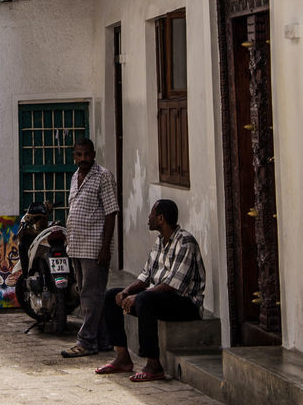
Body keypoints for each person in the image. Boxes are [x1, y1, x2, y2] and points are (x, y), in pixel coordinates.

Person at [95, 198, 205, 382]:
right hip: (161, 298)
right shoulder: (160, 241)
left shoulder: (186, 242)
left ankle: (153, 364)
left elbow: (173, 285)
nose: (148, 218)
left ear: (161, 218)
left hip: (185, 303)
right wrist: (127, 292)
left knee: (145, 300)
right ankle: (122, 358)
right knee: (111, 296)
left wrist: (138, 296)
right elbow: (146, 275)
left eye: (152, 214)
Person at [60, 138, 119, 359]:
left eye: (86, 155)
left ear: (93, 154)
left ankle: (85, 341)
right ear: (74, 156)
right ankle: (103, 340)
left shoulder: (103, 176)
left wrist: (105, 247)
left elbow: (111, 212)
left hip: (94, 246)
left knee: (90, 295)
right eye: (79, 155)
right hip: (76, 244)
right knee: (89, 293)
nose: (83, 159)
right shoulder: (76, 176)